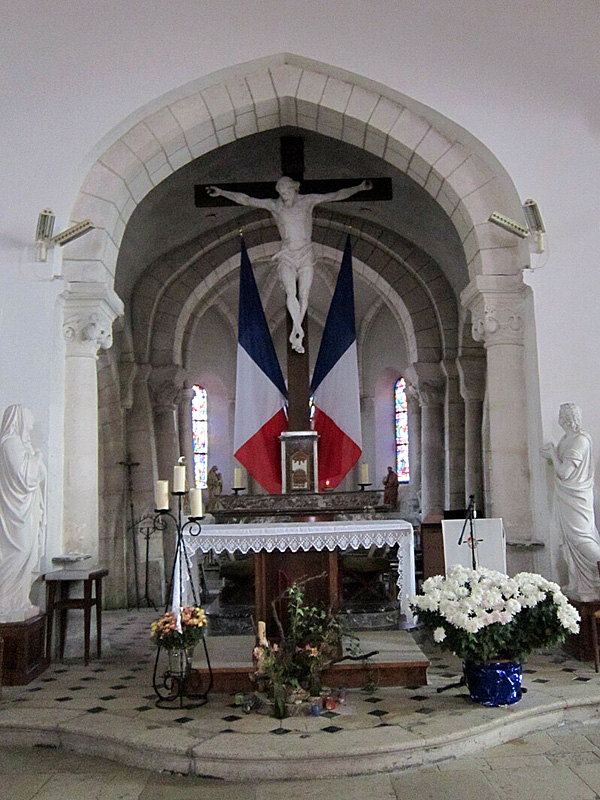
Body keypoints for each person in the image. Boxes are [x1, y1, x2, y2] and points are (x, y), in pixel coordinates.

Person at [207, 176, 372, 353]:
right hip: (286, 255)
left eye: (286, 191)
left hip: (306, 254)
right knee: (290, 292)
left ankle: (297, 328)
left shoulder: (308, 201)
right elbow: (246, 199)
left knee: (304, 293)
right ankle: (297, 329)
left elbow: (335, 195)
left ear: (294, 189)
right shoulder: (275, 206)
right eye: (281, 192)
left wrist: (359, 188)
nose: (284, 195)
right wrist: (222, 192)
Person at [541, 403, 600, 601]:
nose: (559, 417)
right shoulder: (567, 439)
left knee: (581, 538)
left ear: (567, 417)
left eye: (562, 414)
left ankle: (596, 576)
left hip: (577, 498)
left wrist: (551, 456)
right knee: (569, 541)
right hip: (567, 498)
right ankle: (582, 584)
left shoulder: (580, 440)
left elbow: (565, 472)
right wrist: (552, 455)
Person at [0, 405, 47, 622]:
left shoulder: (20, 444)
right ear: (18, 419)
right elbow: (23, 476)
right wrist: (37, 456)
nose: (31, 424)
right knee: (18, 551)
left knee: (28, 552)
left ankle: (18, 601)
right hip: (15, 514)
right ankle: (4, 601)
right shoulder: (9, 443)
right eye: (28, 420)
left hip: (26, 510)